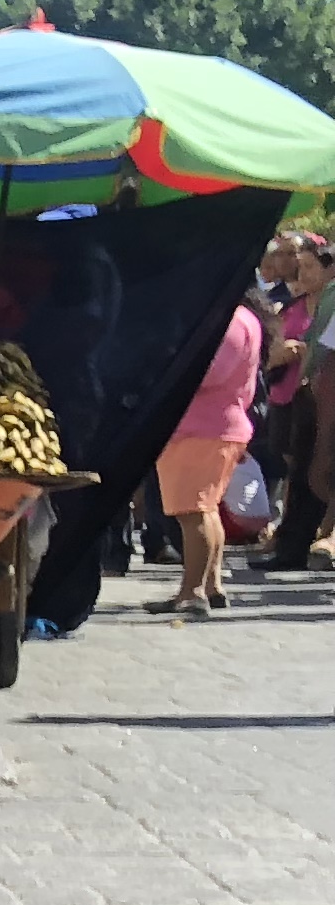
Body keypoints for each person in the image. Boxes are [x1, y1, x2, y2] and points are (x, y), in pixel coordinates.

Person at [153, 291, 263, 619]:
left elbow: (209, 372)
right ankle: (212, 585)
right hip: (217, 426)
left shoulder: (229, 320)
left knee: (193, 511)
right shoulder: (245, 317)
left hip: (200, 428)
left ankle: (192, 592)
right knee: (206, 509)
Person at [256, 233, 335, 571]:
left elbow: (323, 354)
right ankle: (294, 545)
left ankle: (310, 541)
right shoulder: (298, 305)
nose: (301, 273)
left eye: (308, 265)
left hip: (316, 394)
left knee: (315, 472)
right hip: (302, 396)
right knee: (302, 473)